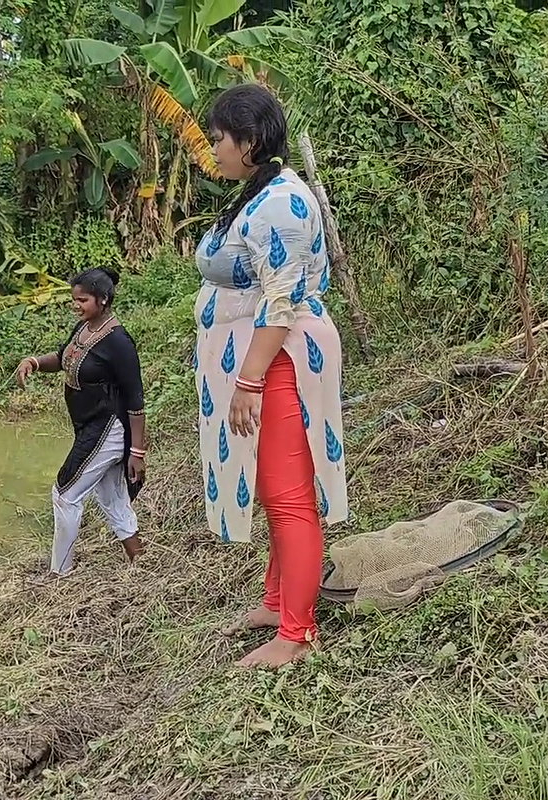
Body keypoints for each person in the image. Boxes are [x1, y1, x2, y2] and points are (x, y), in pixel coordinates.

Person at [193, 83, 350, 668]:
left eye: (218, 140)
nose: (213, 151)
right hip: (261, 358)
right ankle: (277, 599)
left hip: (278, 359)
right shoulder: (259, 192)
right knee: (272, 487)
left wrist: (250, 379)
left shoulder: (283, 201)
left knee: (288, 497)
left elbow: (280, 300)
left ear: (250, 140)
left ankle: (296, 633)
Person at [16, 267, 147, 577]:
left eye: (82, 300)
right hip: (88, 426)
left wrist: (137, 452)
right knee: (111, 497)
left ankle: (60, 572)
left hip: (108, 429)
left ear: (102, 299)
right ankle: (140, 560)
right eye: (74, 299)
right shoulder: (84, 329)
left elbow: (136, 400)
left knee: (64, 493)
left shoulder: (119, 342)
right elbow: (63, 358)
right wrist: (34, 362)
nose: (76, 305)